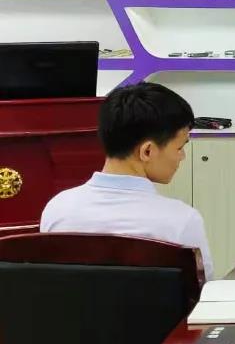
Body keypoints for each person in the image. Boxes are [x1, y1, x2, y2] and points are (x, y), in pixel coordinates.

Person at [39, 82, 214, 279]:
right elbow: (203, 292)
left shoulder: (57, 211)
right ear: (147, 151)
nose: (182, 157)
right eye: (180, 147)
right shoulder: (182, 221)